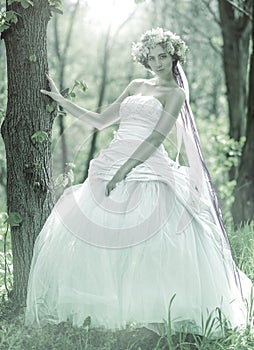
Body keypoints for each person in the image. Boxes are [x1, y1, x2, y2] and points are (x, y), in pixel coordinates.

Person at [25, 28, 253, 338]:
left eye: (163, 55)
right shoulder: (136, 85)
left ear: (174, 55)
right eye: (151, 57)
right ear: (143, 58)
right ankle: (114, 310)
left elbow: (157, 137)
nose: (157, 62)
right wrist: (61, 99)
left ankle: (157, 320)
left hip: (147, 165)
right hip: (112, 158)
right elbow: (101, 120)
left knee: (154, 242)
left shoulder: (176, 94)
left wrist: (124, 171)